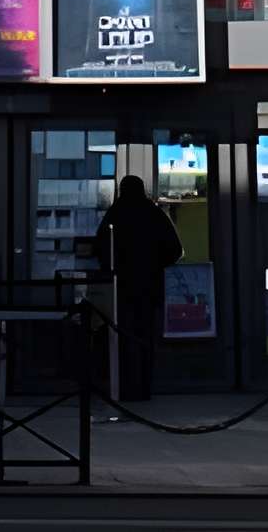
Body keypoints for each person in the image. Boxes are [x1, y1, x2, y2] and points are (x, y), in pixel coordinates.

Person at [93, 172, 182, 402]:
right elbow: (175, 250)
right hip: (150, 286)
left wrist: (115, 266)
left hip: (121, 287)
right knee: (146, 338)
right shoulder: (154, 214)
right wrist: (154, 265)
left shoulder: (115, 214)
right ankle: (144, 387)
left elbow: (99, 248)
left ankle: (124, 386)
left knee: (121, 338)